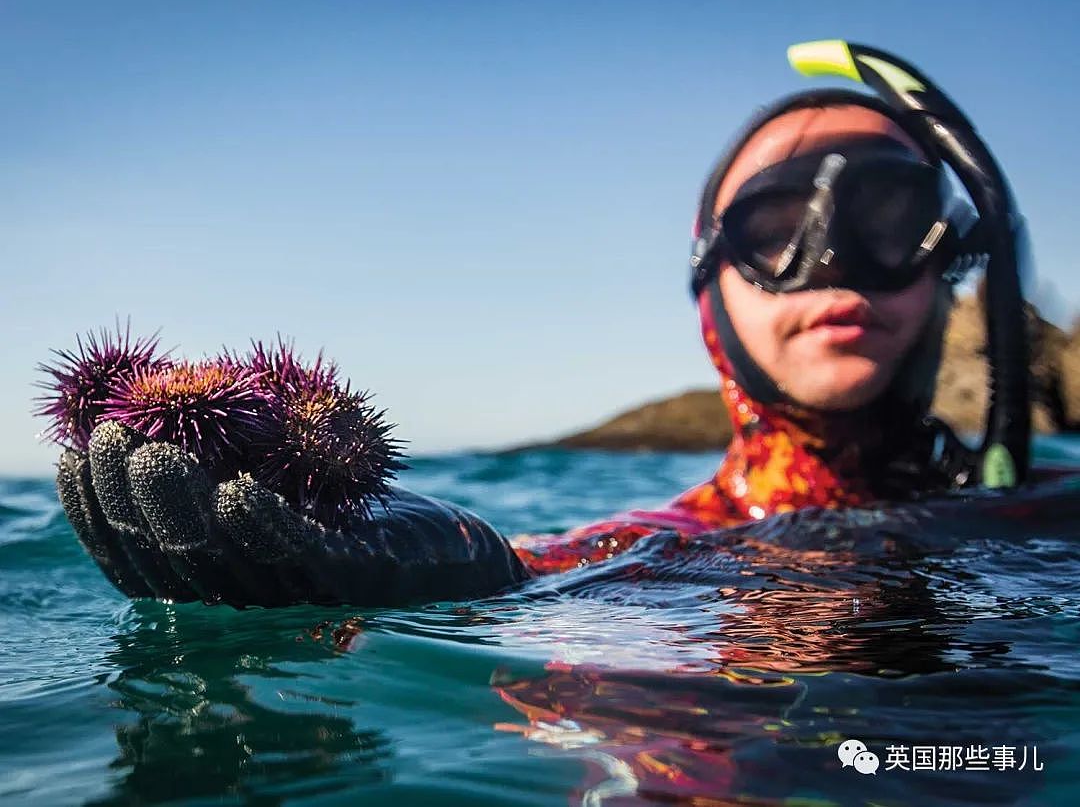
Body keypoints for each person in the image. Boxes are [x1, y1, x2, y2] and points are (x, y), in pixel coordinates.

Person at [55, 42, 1031, 607]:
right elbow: (547, 572)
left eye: (889, 221)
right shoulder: (659, 547)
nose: (832, 266)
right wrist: (472, 575)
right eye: (778, 230)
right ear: (710, 289)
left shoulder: (1049, 514)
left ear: (954, 263)